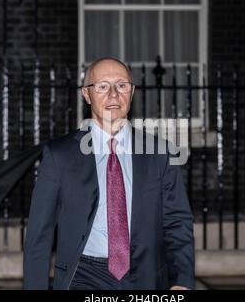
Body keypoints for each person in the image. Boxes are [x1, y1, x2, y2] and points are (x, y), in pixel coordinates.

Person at [23, 57, 194, 290]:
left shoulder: (159, 153)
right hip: (84, 275)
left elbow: (177, 221)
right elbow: (39, 233)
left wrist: (182, 281)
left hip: (146, 277)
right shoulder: (59, 156)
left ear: (131, 92)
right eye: (103, 86)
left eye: (122, 85)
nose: (114, 94)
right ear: (86, 94)